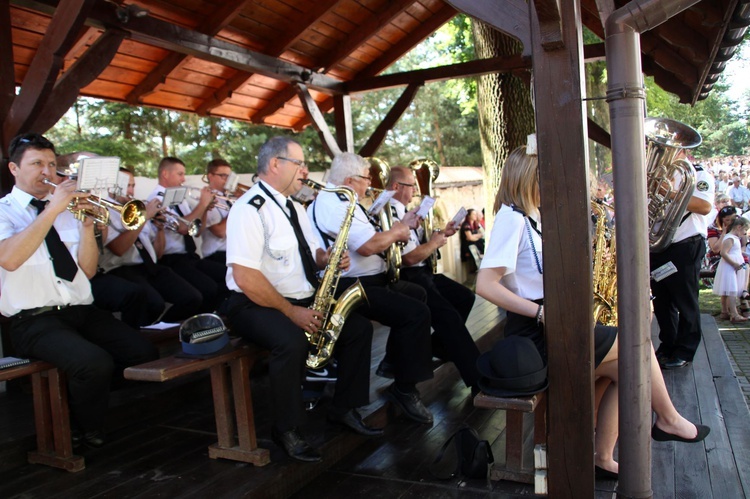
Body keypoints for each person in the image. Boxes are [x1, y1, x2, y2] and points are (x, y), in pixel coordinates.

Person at [475, 144, 710, 479]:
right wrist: (540, 314)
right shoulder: (511, 219)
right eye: (550, 179)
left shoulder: (532, 218)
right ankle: (669, 419)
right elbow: (485, 285)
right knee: (637, 348)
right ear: (530, 179)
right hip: (536, 333)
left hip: (553, 325)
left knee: (629, 366)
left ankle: (603, 456)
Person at [224, 137, 381, 463]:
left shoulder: (295, 206)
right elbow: (245, 277)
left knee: (358, 330)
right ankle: (287, 430)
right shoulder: (248, 209)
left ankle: (343, 409)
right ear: (274, 164)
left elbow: (313, 255)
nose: (306, 171)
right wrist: (291, 312)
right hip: (254, 302)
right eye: (299, 163)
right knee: (291, 342)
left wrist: (330, 258)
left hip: (300, 296)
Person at [0, 133, 157, 447]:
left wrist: (87, 227)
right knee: (93, 362)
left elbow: (84, 271)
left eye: (51, 164)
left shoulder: (65, 211)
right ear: (14, 169)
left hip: (79, 309)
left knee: (142, 353)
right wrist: (52, 211)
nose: (47, 172)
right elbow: (9, 258)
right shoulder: (5, 211)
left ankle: (80, 408)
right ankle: (86, 431)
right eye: (36, 164)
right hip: (33, 320)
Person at [308, 152, 435, 424]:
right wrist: (398, 232)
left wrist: (399, 227)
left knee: (417, 294)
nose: (370, 184)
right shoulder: (335, 203)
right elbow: (367, 246)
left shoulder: (346, 199)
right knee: (416, 313)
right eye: (367, 178)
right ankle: (404, 388)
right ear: (351, 179)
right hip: (350, 285)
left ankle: (394, 365)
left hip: (367, 280)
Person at [385, 165, 481, 391]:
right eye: (411, 186)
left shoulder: (404, 211)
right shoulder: (390, 212)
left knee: (465, 297)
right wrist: (434, 243)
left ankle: (438, 346)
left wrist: (441, 234)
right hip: (408, 275)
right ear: (397, 186)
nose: (415, 191)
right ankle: (478, 380)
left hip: (423, 271)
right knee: (448, 318)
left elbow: (418, 248)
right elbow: (408, 258)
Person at [99, 167, 203, 324]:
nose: (131, 191)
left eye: (133, 185)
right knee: (153, 304)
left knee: (192, 297)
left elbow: (158, 253)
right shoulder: (106, 211)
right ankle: (143, 335)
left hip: (150, 266)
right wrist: (144, 218)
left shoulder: (137, 208)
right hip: (123, 269)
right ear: (112, 186)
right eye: (127, 185)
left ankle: (165, 331)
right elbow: (118, 249)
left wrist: (160, 230)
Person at [650, 156, 715, 370]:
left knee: (685, 301)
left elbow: (704, 206)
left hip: (684, 244)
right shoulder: (656, 173)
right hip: (659, 245)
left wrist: (670, 192)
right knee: (662, 301)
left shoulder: (696, 173)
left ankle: (685, 350)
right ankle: (668, 346)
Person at [147, 157, 227, 312]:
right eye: (180, 174)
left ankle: (215, 319)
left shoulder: (179, 197)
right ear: (165, 174)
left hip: (189, 256)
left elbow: (197, 231)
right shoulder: (156, 198)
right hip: (172, 260)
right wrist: (202, 204)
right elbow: (183, 227)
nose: (183, 179)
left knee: (227, 276)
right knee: (208, 289)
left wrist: (204, 209)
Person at [712, 217, 750, 323]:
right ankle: (734, 314)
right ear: (739, 227)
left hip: (732, 266)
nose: (744, 233)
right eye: (744, 230)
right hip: (729, 266)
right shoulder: (730, 238)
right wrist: (734, 263)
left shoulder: (735, 238)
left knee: (727, 290)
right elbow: (723, 253)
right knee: (731, 290)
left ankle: (725, 312)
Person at [201, 158, 232, 266]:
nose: (227, 180)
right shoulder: (205, 199)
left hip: (234, 253)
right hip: (216, 255)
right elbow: (220, 232)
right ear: (210, 176)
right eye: (223, 176)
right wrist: (237, 209)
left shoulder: (229, 198)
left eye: (229, 176)